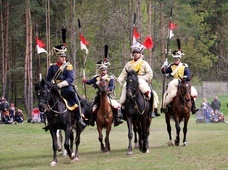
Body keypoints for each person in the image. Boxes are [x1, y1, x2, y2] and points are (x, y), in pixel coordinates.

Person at [43, 44, 86, 131]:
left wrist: (61, 84)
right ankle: (48, 122)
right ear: (57, 57)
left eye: (64, 56)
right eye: (61, 56)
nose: (64, 58)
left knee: (75, 98)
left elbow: (70, 78)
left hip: (66, 88)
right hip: (54, 89)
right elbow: (48, 80)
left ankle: (79, 118)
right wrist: (51, 84)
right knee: (46, 100)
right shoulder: (52, 67)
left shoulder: (68, 66)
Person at [117, 45, 160, 118]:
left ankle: (152, 111)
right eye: (134, 52)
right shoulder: (129, 64)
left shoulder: (144, 63)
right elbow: (123, 73)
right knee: (124, 91)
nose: (136, 54)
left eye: (137, 52)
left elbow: (150, 74)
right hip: (131, 81)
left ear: (140, 54)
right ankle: (121, 110)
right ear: (132, 54)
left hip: (141, 80)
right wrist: (119, 79)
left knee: (150, 92)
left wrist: (141, 78)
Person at [161, 49, 198, 114]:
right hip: (174, 83)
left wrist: (185, 77)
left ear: (179, 59)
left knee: (192, 92)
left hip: (183, 82)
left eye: (177, 59)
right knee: (168, 94)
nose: (176, 60)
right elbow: (164, 71)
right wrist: (164, 65)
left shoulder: (184, 66)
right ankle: (165, 106)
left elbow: (188, 74)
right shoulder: (171, 66)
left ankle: (193, 107)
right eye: (175, 59)